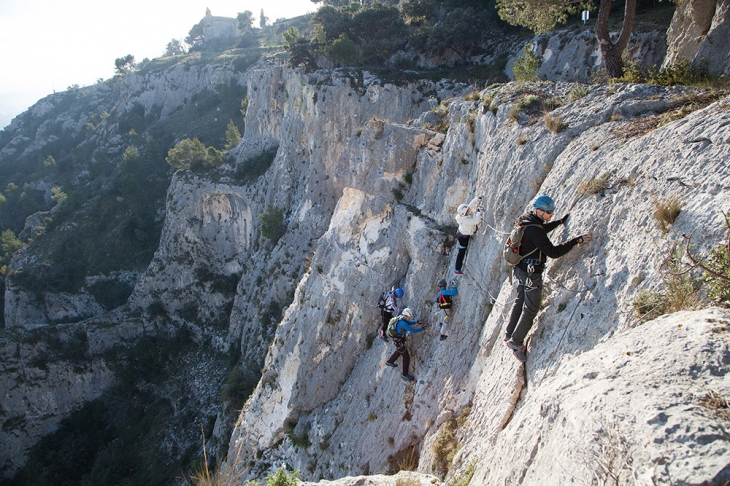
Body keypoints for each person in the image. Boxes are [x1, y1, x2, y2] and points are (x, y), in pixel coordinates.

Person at [504, 194, 592, 362]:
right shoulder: (535, 229)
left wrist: (559, 222)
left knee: (520, 299)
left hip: (520, 269)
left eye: (552, 212)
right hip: (531, 273)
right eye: (549, 213)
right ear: (539, 211)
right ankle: (515, 341)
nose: (551, 214)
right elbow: (553, 252)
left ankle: (509, 333)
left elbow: (540, 231)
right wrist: (576, 240)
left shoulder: (527, 220)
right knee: (531, 308)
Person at [385, 308, 426, 382]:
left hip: (397, 339)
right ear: (405, 316)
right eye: (409, 317)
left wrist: (416, 322)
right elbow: (412, 330)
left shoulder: (401, 318)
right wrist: (422, 329)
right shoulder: (403, 323)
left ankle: (390, 362)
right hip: (399, 341)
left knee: (399, 351)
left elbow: (409, 322)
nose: (410, 318)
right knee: (406, 357)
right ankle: (404, 375)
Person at [454, 195, 485, 275]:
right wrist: (478, 212)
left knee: (461, 251)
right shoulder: (466, 220)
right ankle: (457, 269)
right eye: (467, 210)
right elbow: (476, 221)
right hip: (464, 238)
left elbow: (469, 206)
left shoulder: (462, 216)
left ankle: (457, 269)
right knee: (461, 253)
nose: (469, 210)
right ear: (465, 213)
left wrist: (476, 199)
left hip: (461, 234)